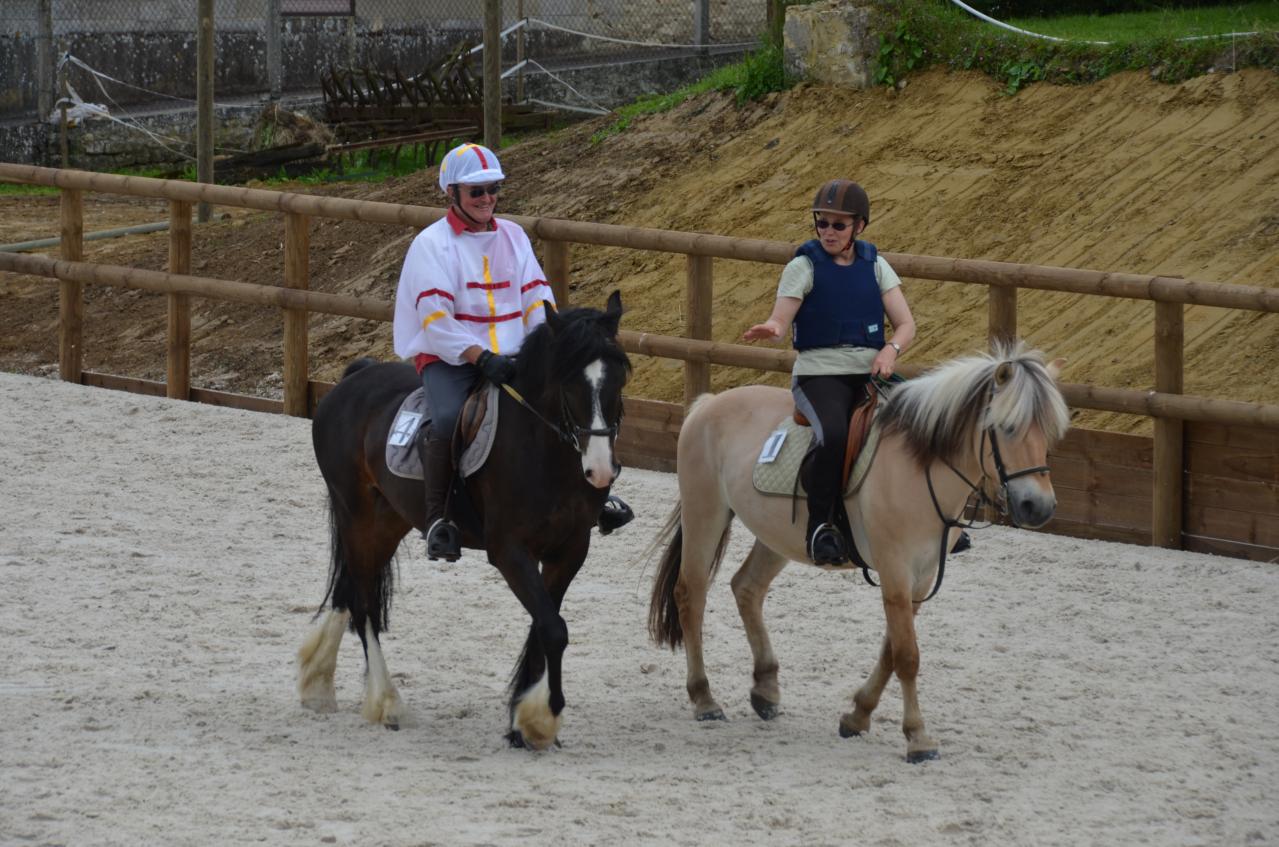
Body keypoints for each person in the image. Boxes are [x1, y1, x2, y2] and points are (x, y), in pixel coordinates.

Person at [393, 143, 631, 562]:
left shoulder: (513, 236)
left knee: (575, 403)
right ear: (453, 193)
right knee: (447, 418)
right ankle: (438, 519)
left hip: (516, 354)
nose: (487, 199)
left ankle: (596, 499)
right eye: (476, 192)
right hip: (452, 357)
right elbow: (434, 316)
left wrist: (545, 347)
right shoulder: (430, 245)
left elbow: (537, 295)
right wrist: (479, 357)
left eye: (493, 189)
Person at [743, 179, 916, 566]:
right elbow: (781, 317)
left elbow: (906, 323)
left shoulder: (877, 266)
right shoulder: (802, 266)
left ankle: (924, 519)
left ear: (859, 226)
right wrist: (773, 327)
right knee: (834, 432)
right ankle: (820, 526)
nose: (828, 232)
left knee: (920, 423)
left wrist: (891, 349)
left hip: (870, 372)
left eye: (839, 225)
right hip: (819, 375)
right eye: (822, 223)